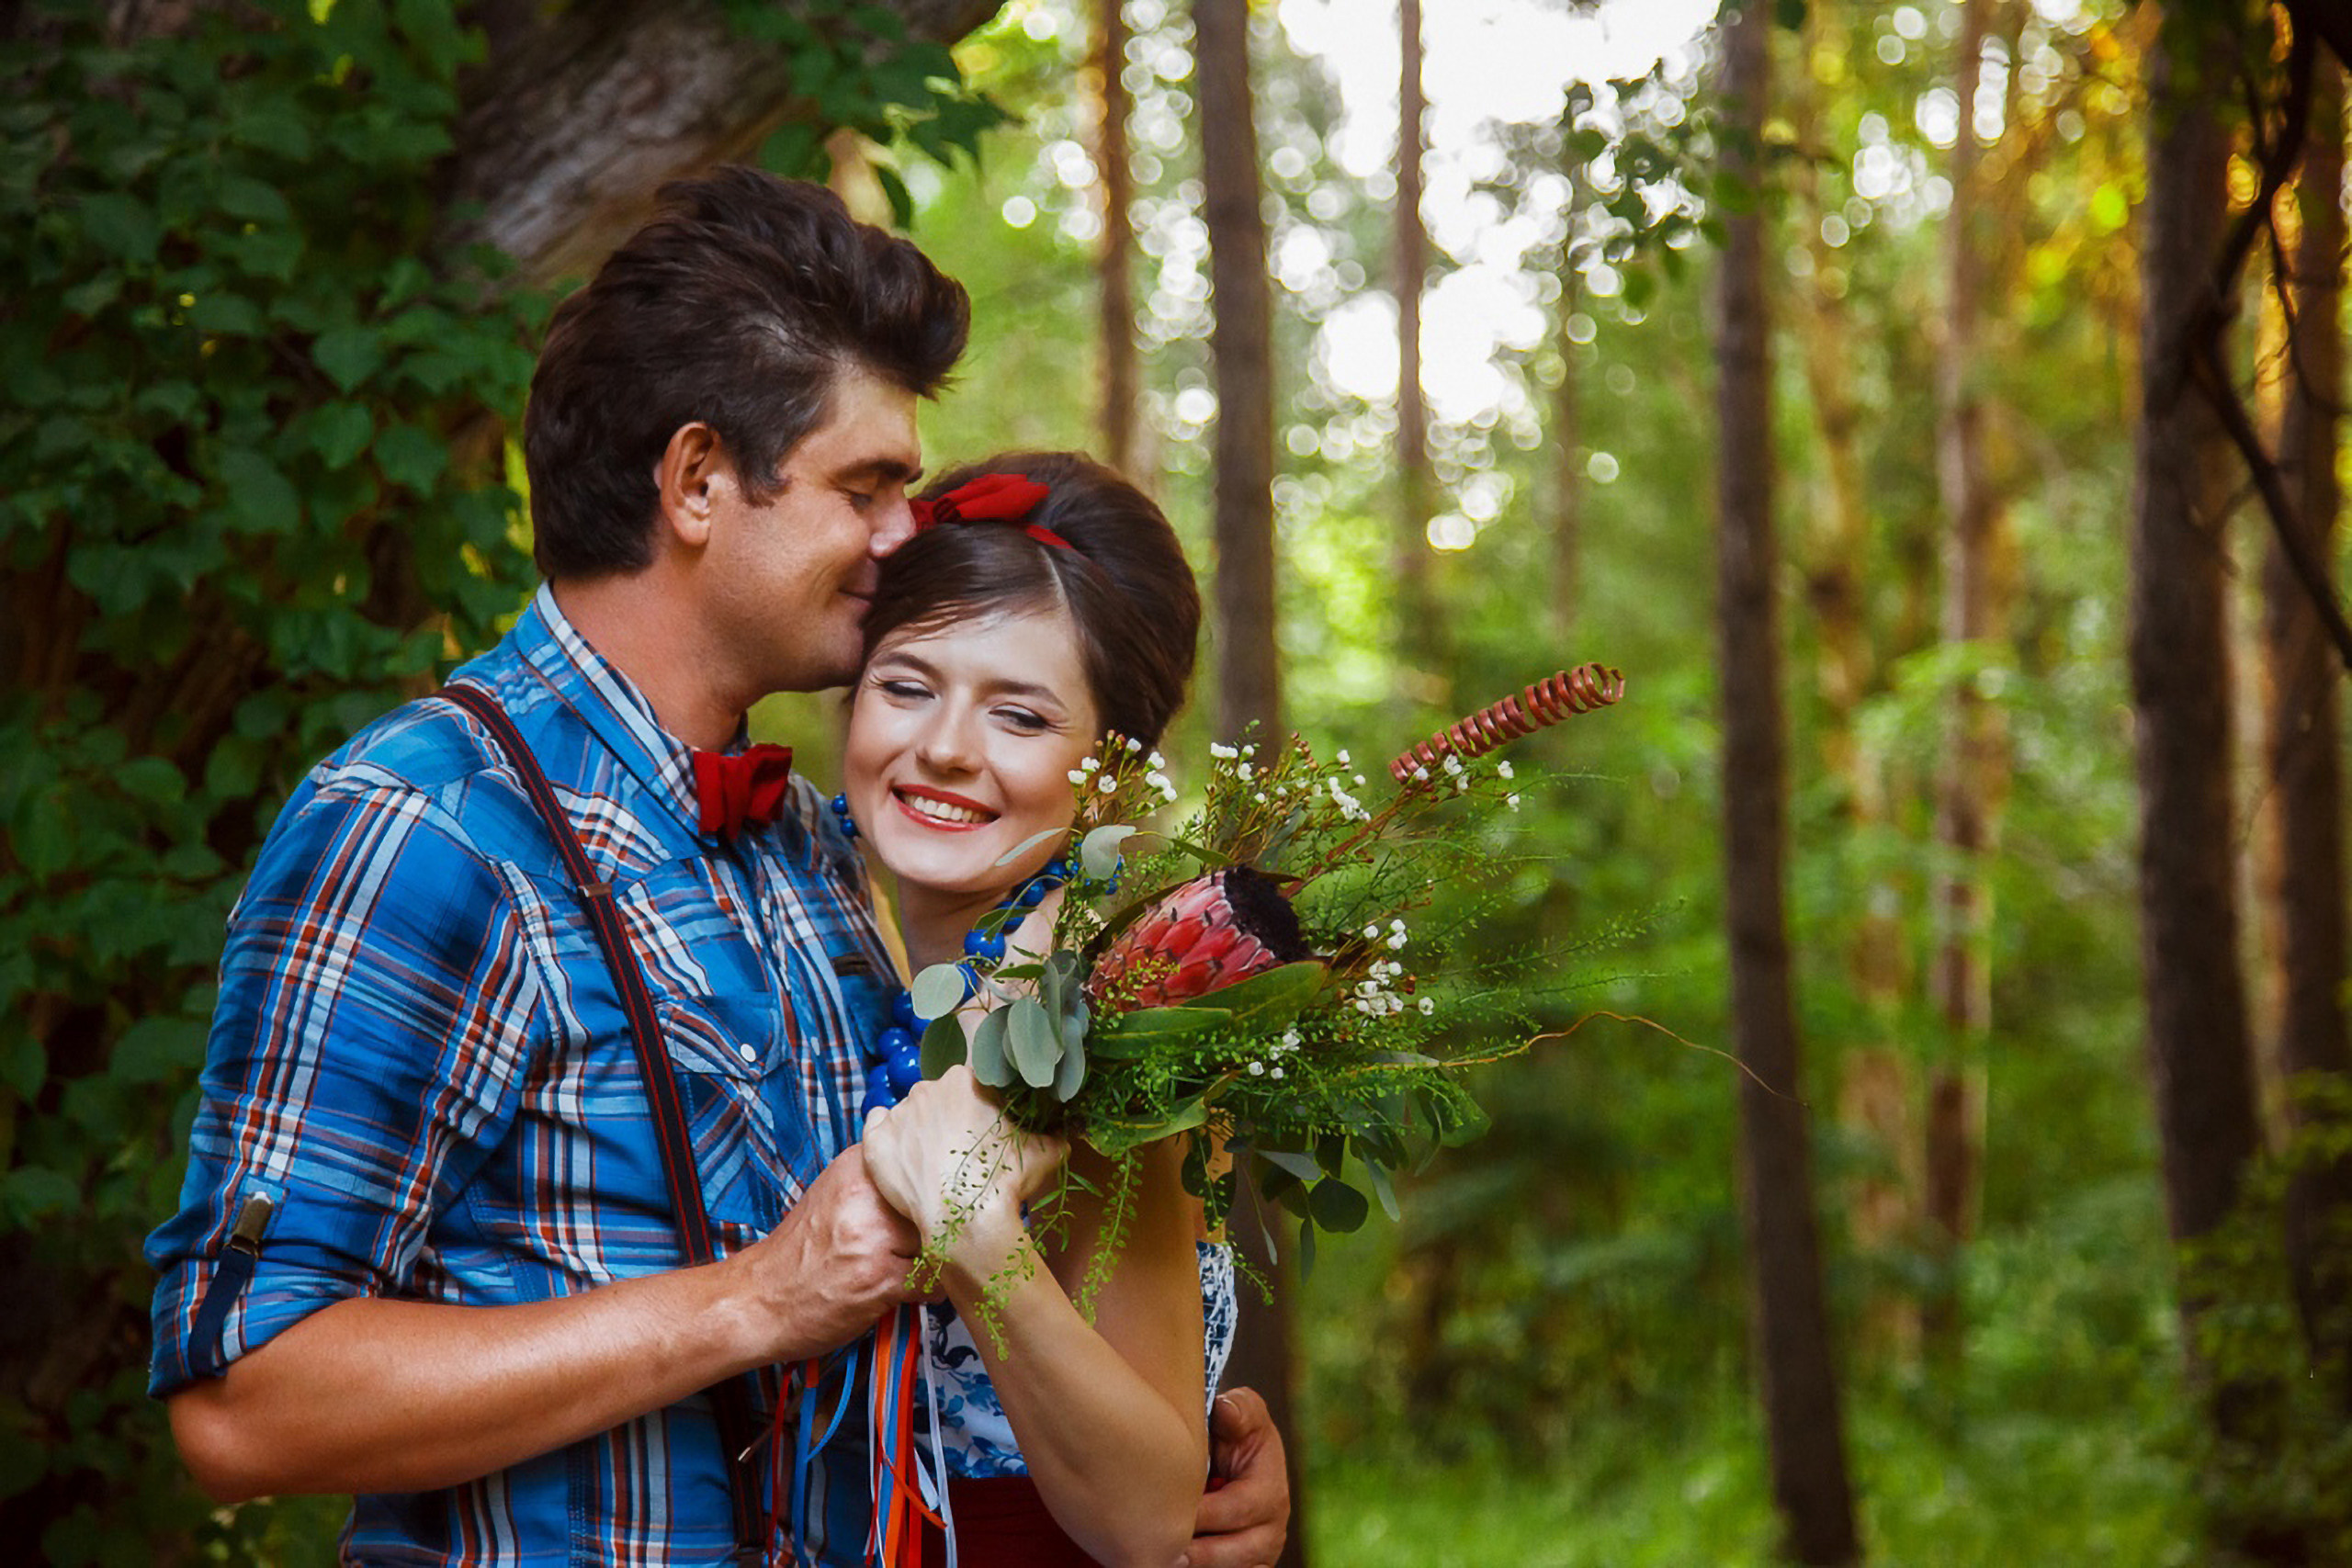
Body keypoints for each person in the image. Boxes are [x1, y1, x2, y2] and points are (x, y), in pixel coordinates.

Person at [144, 167, 1287, 1567]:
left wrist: (1180, 1465)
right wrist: (750, 1299)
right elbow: (242, 1401)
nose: (901, 536)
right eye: (867, 487)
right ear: (696, 482)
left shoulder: (815, 851)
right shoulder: (428, 826)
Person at [831, 453, 1228, 1567]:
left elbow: (1150, 1514)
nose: (945, 746)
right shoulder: (826, 928)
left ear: (1111, 773)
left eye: (1018, 714)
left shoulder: (1102, 1026)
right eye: (906, 684)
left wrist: (974, 1229)